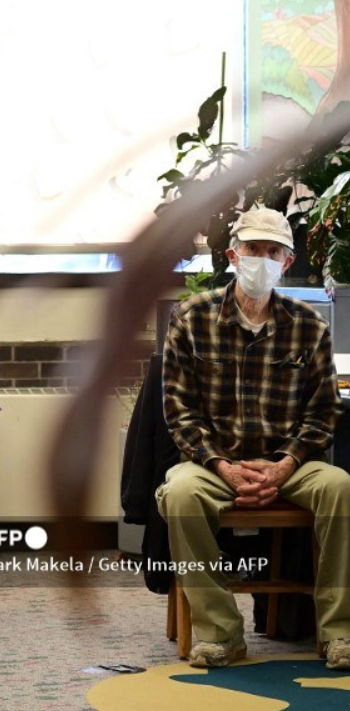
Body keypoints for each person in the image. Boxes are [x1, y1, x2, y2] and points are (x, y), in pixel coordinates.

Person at [157, 203, 350, 669]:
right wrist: (222, 465)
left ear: (287, 262)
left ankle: (339, 632)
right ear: (231, 254)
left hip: (289, 465)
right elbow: (178, 411)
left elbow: (324, 410)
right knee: (179, 494)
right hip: (214, 463)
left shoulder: (309, 326)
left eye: (273, 252)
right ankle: (220, 633)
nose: (261, 259)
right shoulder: (192, 318)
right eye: (252, 249)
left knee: (340, 487)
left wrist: (284, 463)